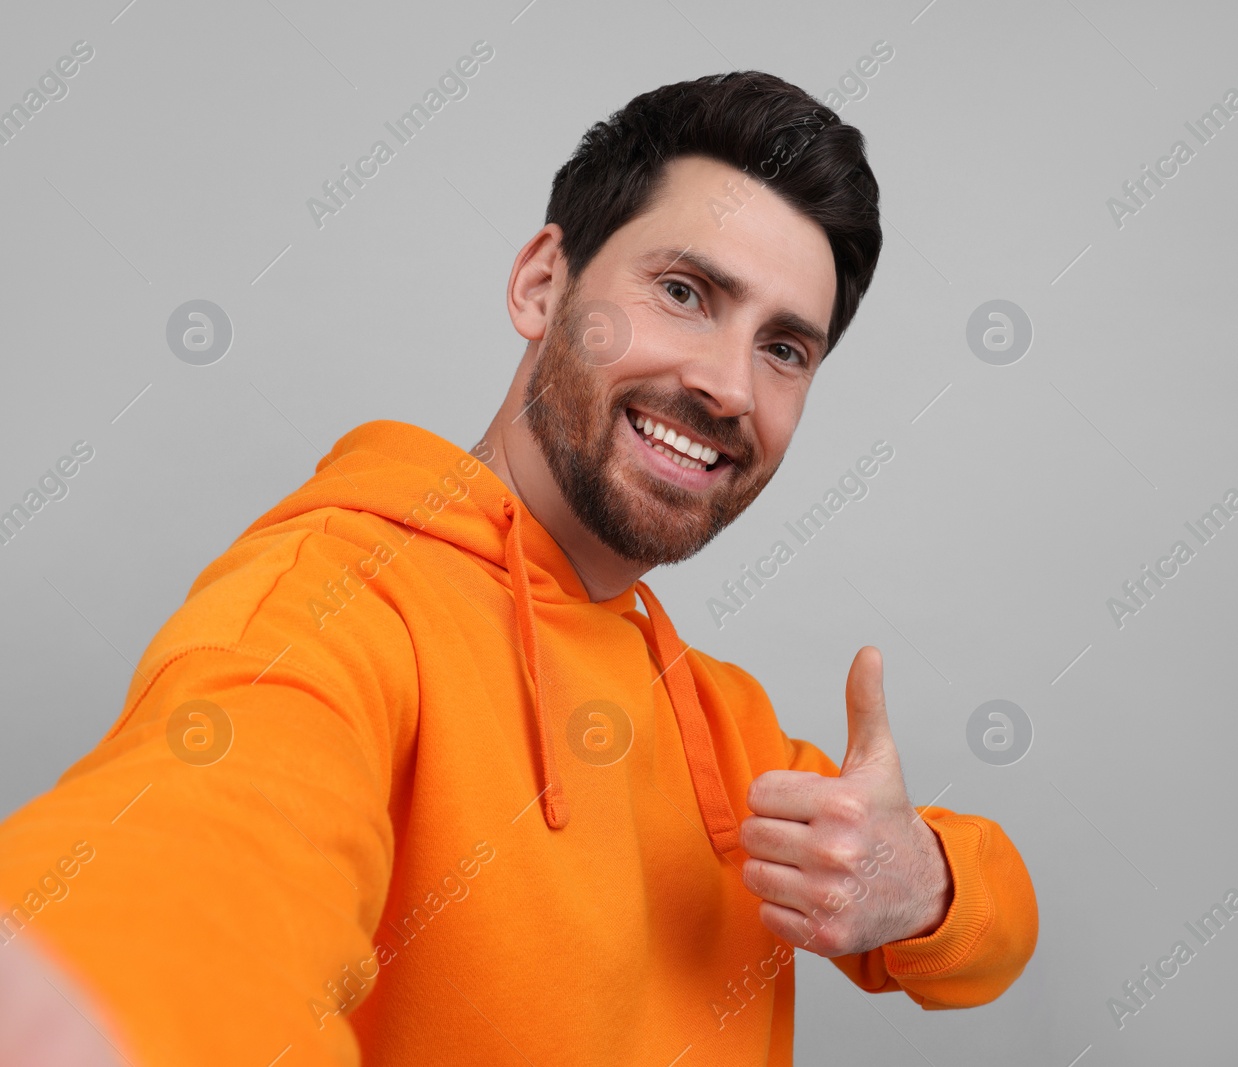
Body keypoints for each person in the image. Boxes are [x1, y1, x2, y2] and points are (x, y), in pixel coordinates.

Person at [0, 70, 1038, 1065]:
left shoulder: (722, 728)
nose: (728, 386)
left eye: (784, 348)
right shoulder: (334, 608)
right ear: (543, 283)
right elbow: (182, 893)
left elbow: (1001, 920)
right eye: (683, 290)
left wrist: (925, 884)